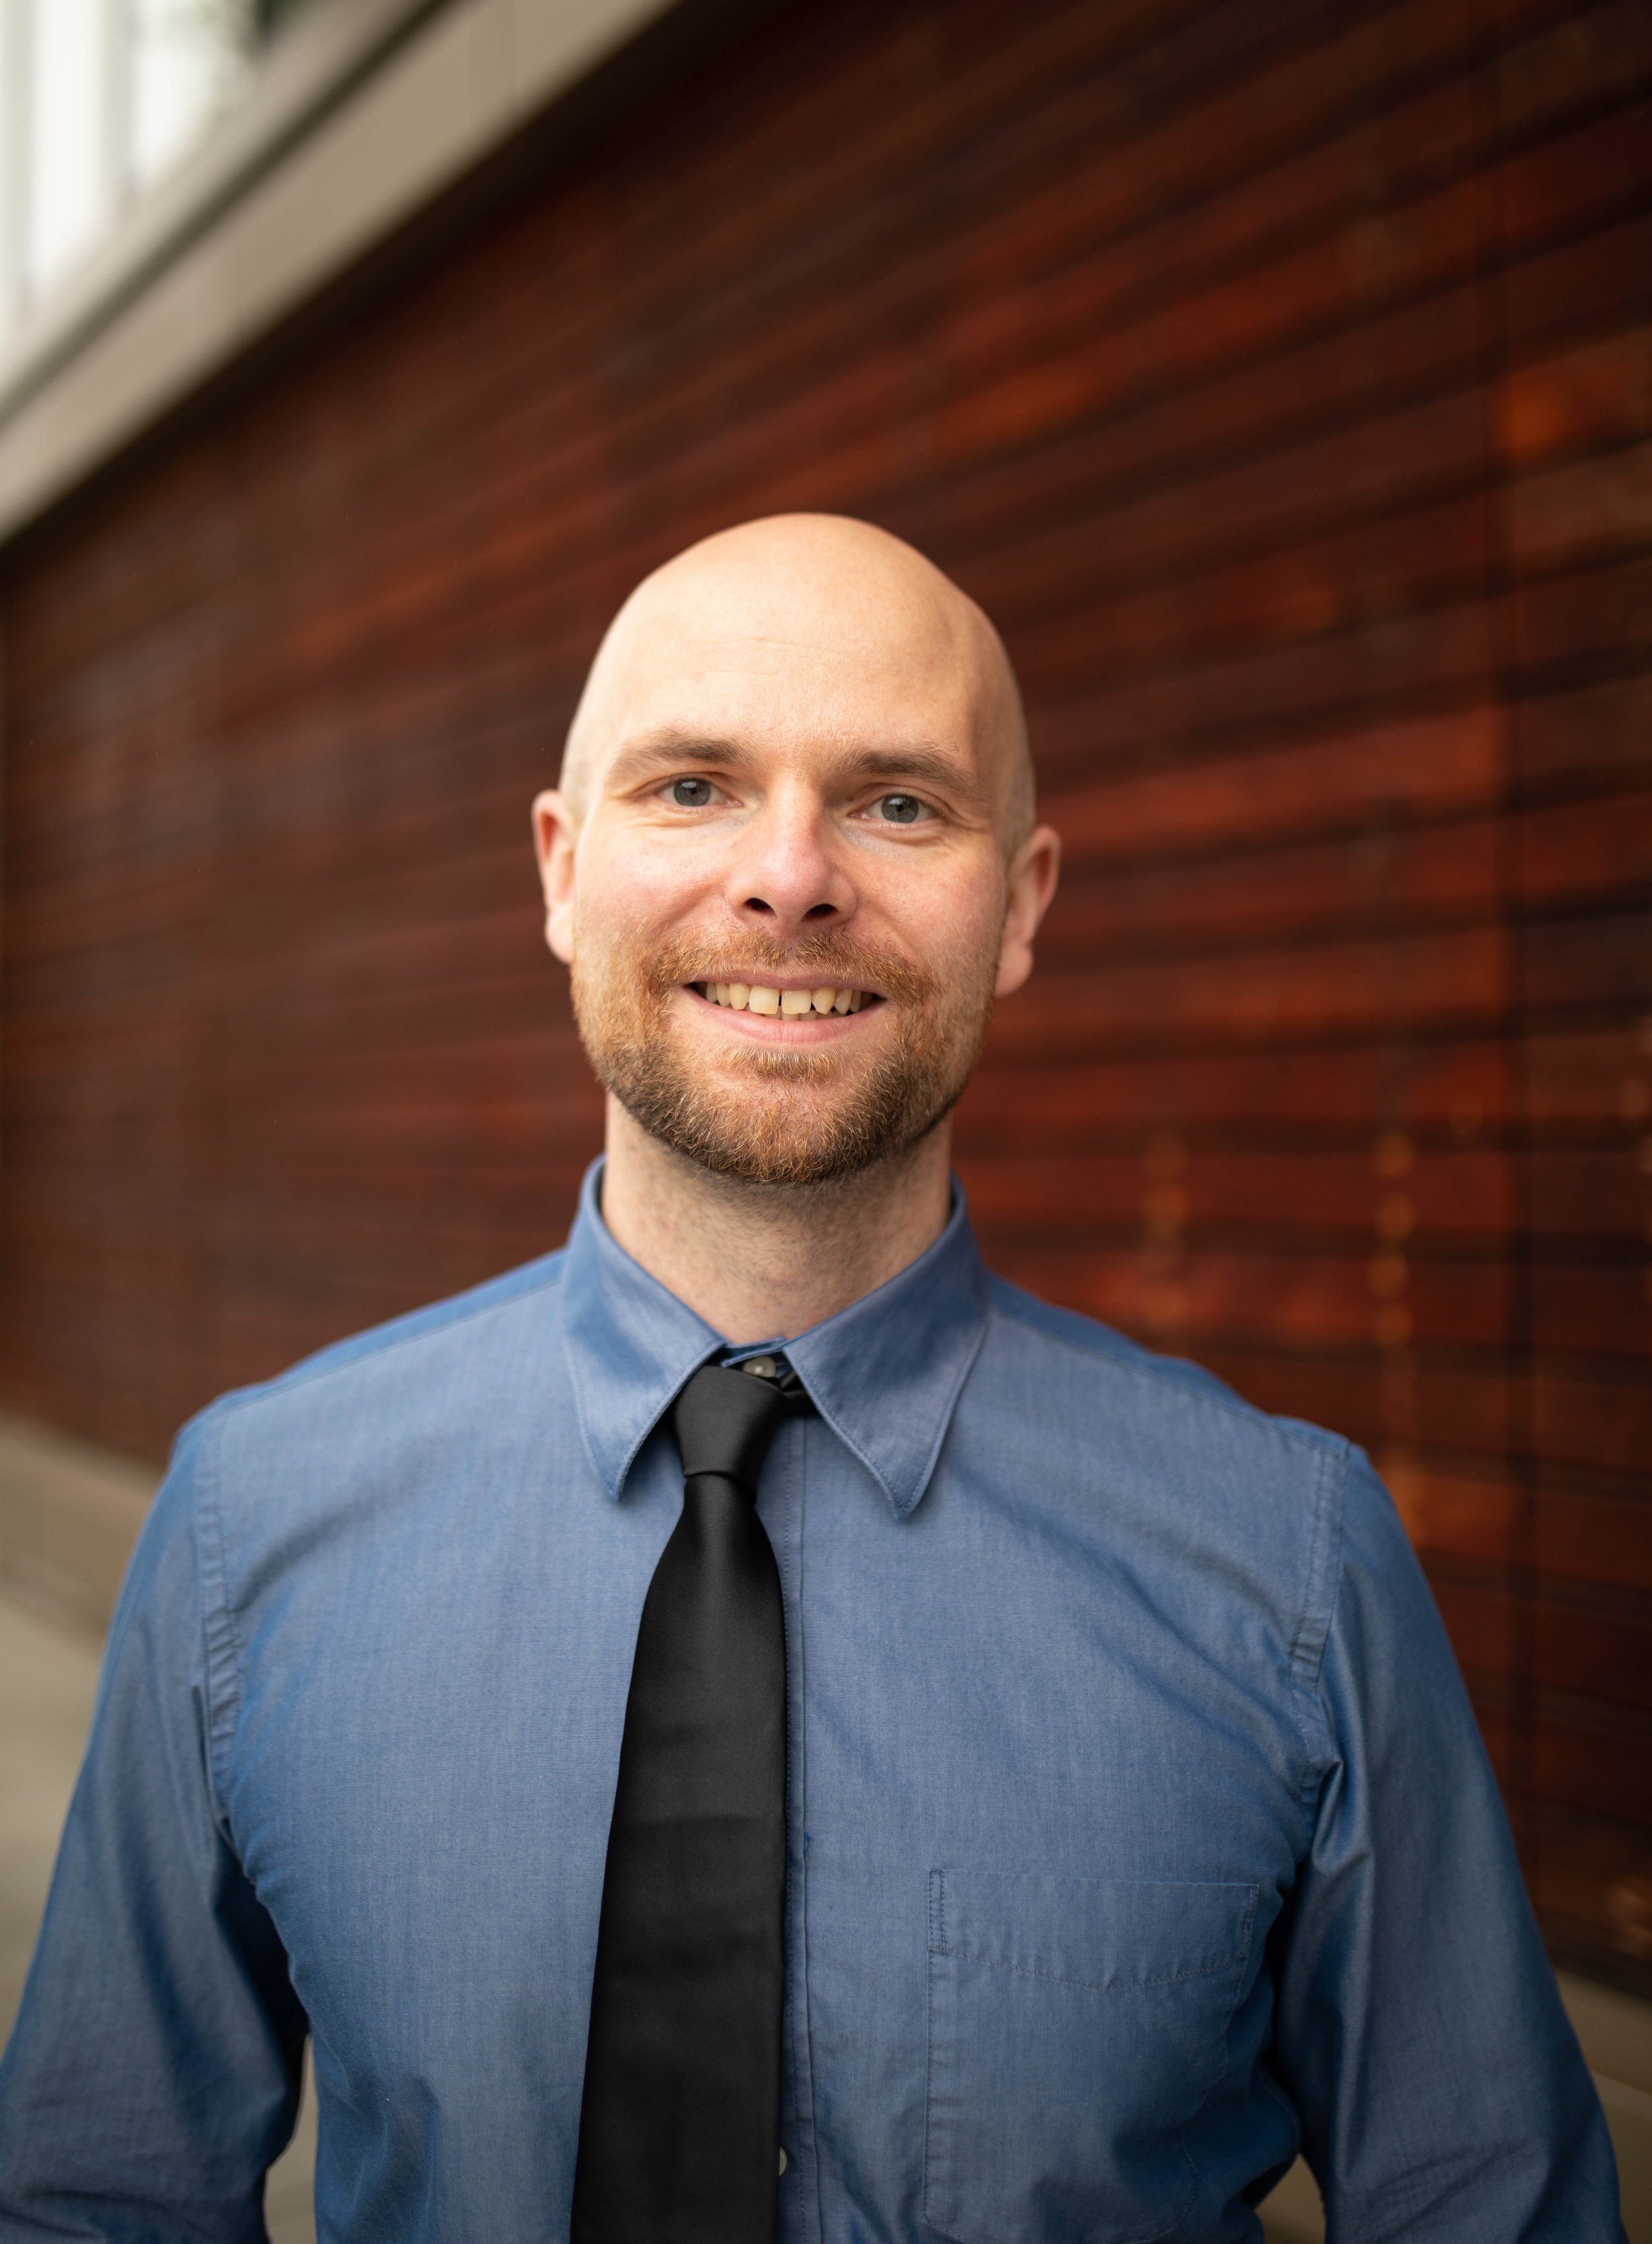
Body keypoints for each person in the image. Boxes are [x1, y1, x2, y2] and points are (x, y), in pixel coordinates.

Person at [0, 514, 1621, 2242]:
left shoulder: (1289, 1566)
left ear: (1020, 904)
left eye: (897, 801)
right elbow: (103, 2202)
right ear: (558, 869)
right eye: (691, 785)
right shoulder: (253, 1523)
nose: (788, 876)